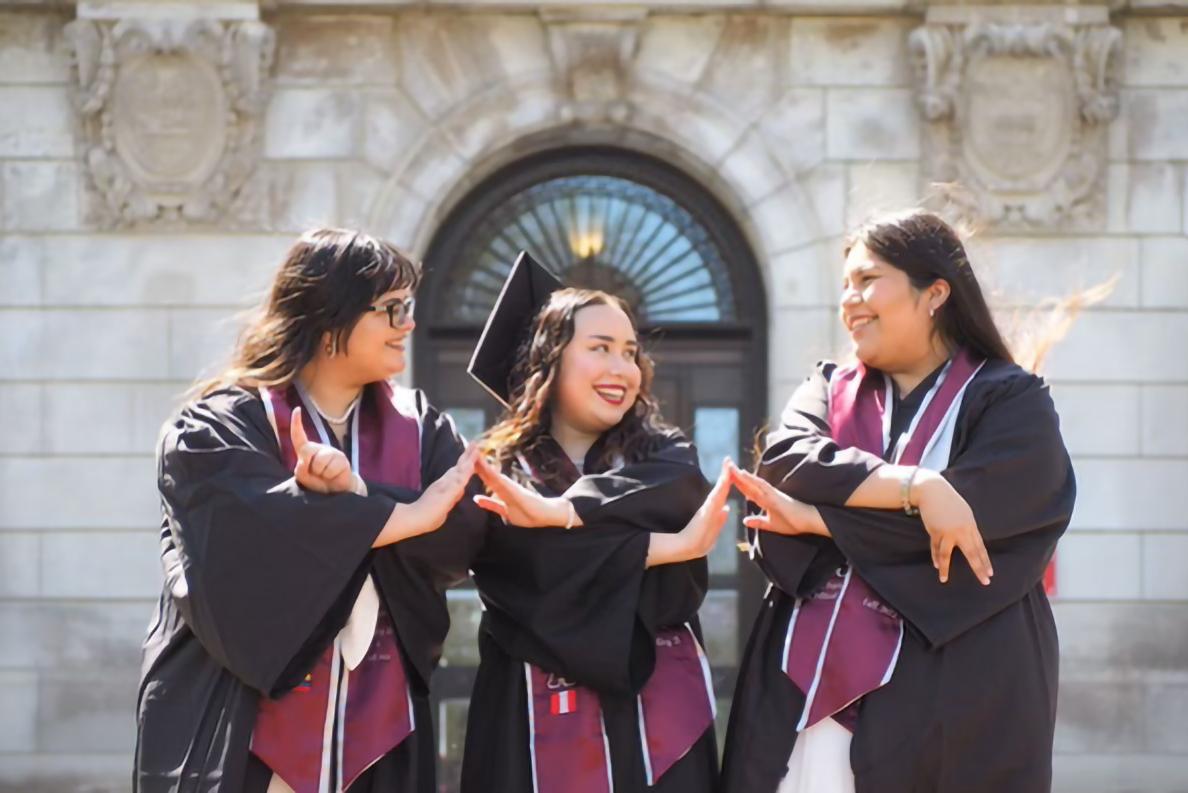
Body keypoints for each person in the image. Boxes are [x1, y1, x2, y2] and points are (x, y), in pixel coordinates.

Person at [720, 210, 1076, 793]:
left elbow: (984, 531)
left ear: (935, 292)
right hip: (803, 696)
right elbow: (786, 464)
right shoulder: (828, 392)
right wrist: (920, 489)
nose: (849, 300)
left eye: (866, 280)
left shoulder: (1011, 401)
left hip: (956, 692)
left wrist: (820, 522)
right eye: (844, 286)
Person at [134, 228, 484, 793]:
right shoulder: (220, 427)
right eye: (392, 310)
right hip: (247, 734)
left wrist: (359, 502)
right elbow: (231, 546)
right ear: (329, 320)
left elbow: (465, 533)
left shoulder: (421, 431)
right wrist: (402, 518)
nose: (409, 325)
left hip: (380, 730)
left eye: (409, 308)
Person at [459, 254, 732, 793]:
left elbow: (681, 493)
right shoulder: (502, 474)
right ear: (550, 360)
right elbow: (532, 569)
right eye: (600, 348)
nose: (622, 369)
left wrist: (564, 515)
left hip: (661, 723)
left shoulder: (665, 456)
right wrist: (661, 548)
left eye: (629, 352)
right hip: (529, 722)